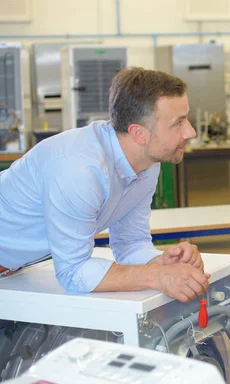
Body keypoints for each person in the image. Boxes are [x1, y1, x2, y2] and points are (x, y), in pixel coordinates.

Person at [0, 67, 210, 303]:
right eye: (178, 123)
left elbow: (130, 244)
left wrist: (160, 262)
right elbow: (74, 272)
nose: (191, 132)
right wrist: (156, 276)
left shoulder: (147, 162)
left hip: (15, 267)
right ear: (138, 133)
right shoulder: (80, 169)